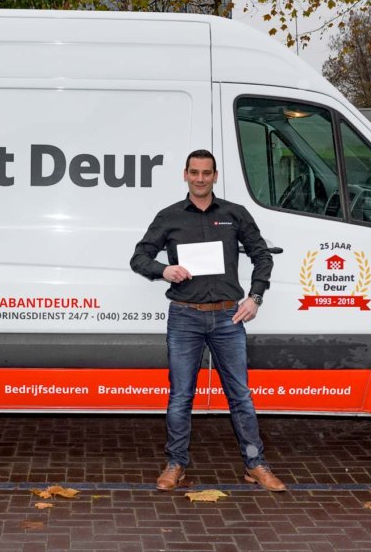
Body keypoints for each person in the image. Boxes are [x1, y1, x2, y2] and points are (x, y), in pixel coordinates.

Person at [130, 149, 286, 492]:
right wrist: (163, 270)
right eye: (194, 172)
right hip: (184, 317)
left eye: (206, 173)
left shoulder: (234, 213)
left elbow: (262, 255)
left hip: (229, 316)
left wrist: (256, 297)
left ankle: (255, 464)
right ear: (185, 174)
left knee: (240, 396)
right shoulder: (169, 216)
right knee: (180, 396)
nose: (200, 178)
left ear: (215, 176)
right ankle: (176, 464)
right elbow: (139, 258)